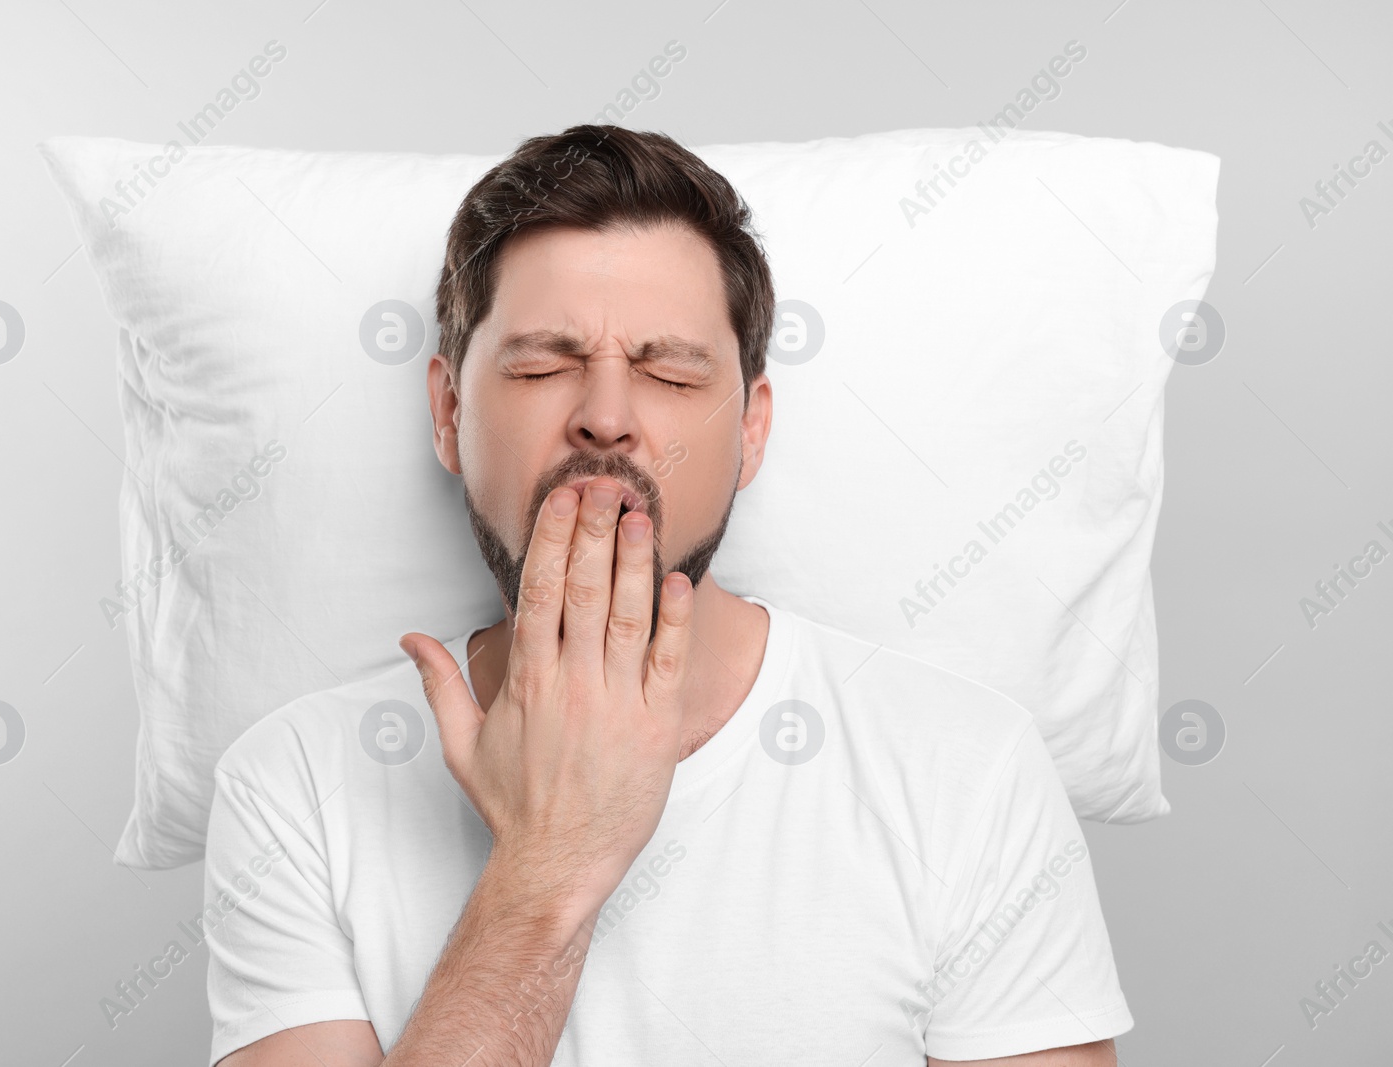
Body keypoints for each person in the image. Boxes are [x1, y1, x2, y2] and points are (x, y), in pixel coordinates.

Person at [202, 124, 1132, 1066]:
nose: (607, 416)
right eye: (541, 364)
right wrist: (545, 868)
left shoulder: (965, 772)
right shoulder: (295, 788)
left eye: (671, 372)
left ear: (752, 429)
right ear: (447, 412)